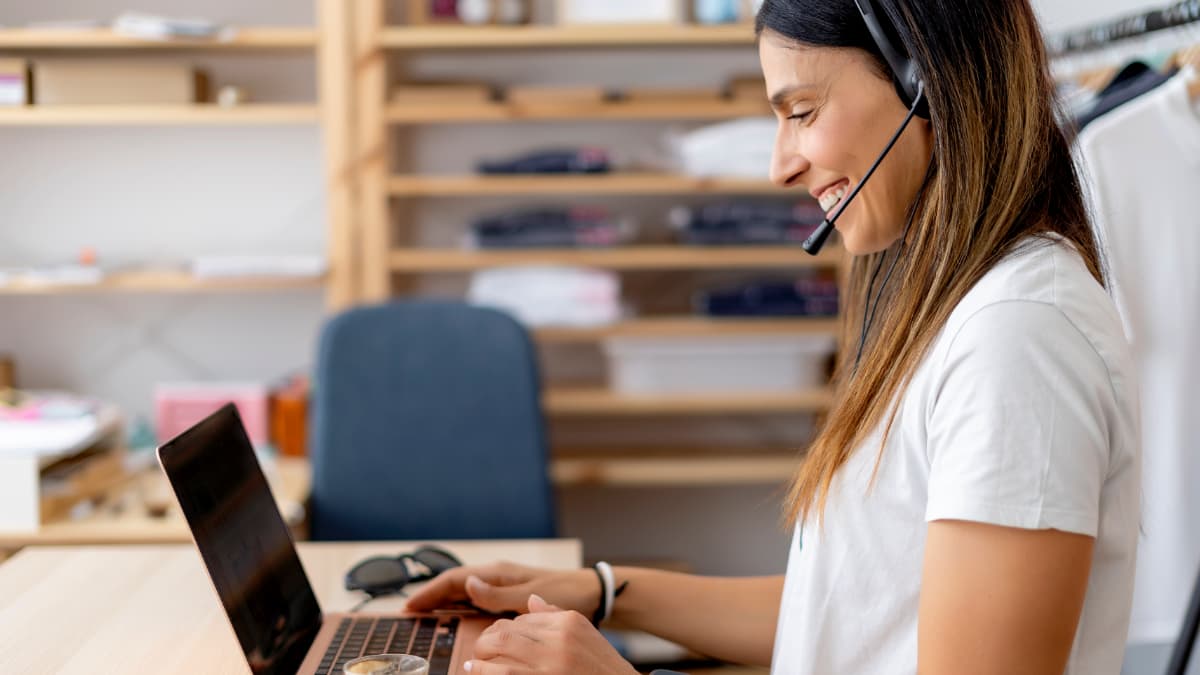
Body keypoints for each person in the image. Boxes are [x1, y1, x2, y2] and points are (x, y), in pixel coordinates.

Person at [407, 1, 1142, 673]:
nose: (780, 164)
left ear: (926, 82)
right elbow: (851, 614)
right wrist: (601, 590)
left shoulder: (1019, 337)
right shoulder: (959, 308)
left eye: (802, 111)